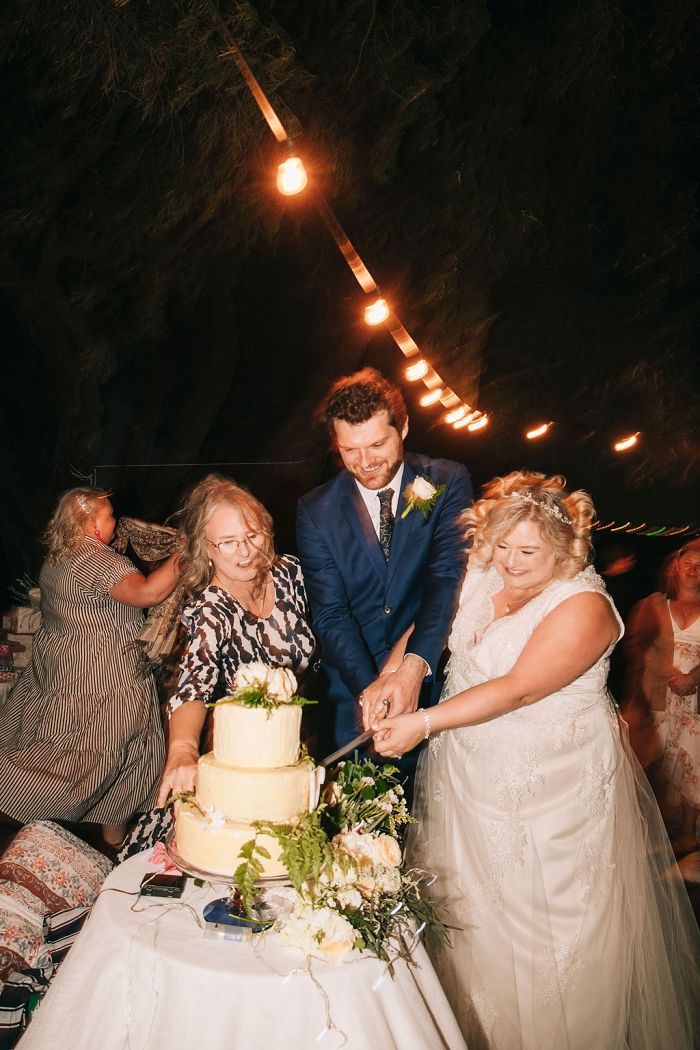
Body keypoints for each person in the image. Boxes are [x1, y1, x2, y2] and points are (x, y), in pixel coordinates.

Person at [374, 472, 700, 1050]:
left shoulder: (586, 607)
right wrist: (396, 675)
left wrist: (421, 723)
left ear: (564, 548)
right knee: (469, 910)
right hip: (467, 774)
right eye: (502, 545)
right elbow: (430, 626)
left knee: (543, 926)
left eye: (528, 552)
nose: (510, 562)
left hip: (550, 791)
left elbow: (520, 687)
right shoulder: (484, 573)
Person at [118, 474, 316, 857]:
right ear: (206, 549)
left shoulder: (291, 573)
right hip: (241, 766)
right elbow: (193, 685)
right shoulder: (211, 609)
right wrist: (182, 750)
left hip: (301, 752)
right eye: (227, 542)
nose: (245, 551)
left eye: (253, 535)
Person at [296, 368, 472, 759]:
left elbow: (446, 579)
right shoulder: (315, 510)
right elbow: (330, 612)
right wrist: (370, 688)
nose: (365, 462)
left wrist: (413, 669)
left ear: (403, 428)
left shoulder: (447, 481)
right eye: (349, 450)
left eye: (376, 444)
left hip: (432, 681)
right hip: (352, 694)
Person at [0, 488, 181, 849]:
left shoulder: (58, 557)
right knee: (88, 758)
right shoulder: (98, 560)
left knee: (127, 753)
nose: (116, 520)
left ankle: (114, 842)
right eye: (110, 515)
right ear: (92, 523)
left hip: (67, 669)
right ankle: (22, 802)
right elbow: (148, 593)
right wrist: (186, 555)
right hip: (103, 676)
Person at [624, 538, 700, 855]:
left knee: (693, 763)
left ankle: (688, 833)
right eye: (688, 563)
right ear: (675, 568)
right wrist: (674, 676)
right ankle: (652, 832)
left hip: (695, 701)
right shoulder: (653, 605)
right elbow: (638, 647)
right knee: (657, 764)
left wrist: (693, 678)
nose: (694, 570)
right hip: (656, 697)